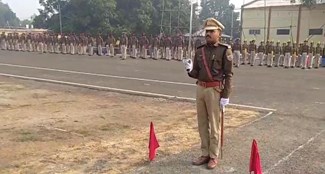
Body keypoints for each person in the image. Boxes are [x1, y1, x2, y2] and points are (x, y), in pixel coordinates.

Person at [183, 17, 233, 169]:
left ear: (219, 33)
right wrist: (189, 70)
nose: (208, 34)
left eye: (212, 31)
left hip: (214, 90)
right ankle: (205, 153)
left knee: (214, 124)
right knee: (202, 123)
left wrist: (225, 96)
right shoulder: (200, 51)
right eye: (207, 32)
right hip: (200, 88)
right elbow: (197, 73)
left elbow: (228, 75)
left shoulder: (224, 50)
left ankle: (213, 155)